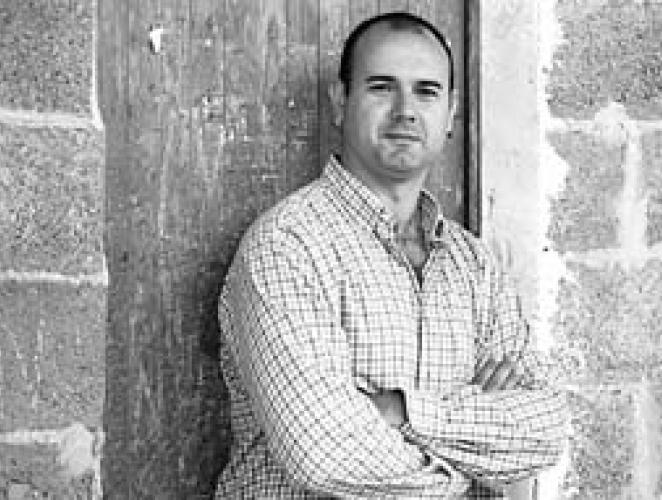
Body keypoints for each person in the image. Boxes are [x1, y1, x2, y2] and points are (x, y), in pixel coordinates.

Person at [215, 12, 568, 499]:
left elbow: (546, 429)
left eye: (427, 92)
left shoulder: (474, 267)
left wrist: (400, 411)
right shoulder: (288, 246)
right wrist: (471, 461)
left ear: (450, 113)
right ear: (341, 103)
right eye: (382, 88)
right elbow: (322, 452)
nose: (406, 111)